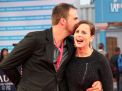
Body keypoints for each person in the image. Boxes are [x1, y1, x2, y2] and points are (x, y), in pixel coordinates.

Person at [0, 3, 102, 91]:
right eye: (75, 18)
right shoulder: (36, 38)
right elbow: (6, 64)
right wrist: (22, 85)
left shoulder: (72, 43)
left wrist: (98, 82)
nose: (78, 22)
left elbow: (88, 59)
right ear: (63, 21)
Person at [66, 20, 113, 91]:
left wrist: (101, 88)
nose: (79, 34)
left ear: (91, 38)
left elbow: (109, 88)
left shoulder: (100, 60)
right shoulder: (67, 55)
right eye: (77, 31)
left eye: (84, 32)